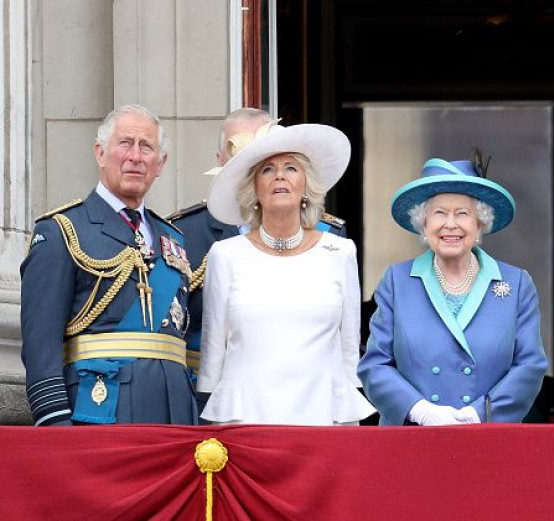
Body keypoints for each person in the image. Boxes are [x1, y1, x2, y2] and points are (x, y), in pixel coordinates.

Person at [21, 104, 197, 426]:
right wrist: (56, 424)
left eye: (147, 147)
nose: (135, 156)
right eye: (125, 143)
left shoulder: (174, 239)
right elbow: (40, 346)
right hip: (101, 412)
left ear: (160, 164)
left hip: (176, 415)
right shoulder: (62, 231)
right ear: (100, 153)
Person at [197, 122, 375, 425]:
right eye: (267, 170)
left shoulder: (340, 251)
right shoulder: (225, 255)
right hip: (245, 419)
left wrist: (348, 421)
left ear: (306, 184)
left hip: (322, 416)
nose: (280, 175)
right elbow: (213, 351)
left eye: (291, 167)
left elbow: (348, 354)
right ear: (253, 189)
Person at [357, 155, 548, 425]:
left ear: (480, 223)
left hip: (489, 438)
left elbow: (530, 366)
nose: (450, 224)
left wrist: (479, 413)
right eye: (439, 213)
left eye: (463, 213)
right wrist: (420, 410)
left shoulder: (516, 283)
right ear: (423, 223)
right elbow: (374, 365)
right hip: (412, 440)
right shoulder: (397, 281)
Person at [168, 108, 348, 391]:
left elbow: (344, 341)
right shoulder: (183, 233)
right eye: (242, 152)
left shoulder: (333, 240)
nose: (271, 170)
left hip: (310, 391)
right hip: (219, 396)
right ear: (221, 160)